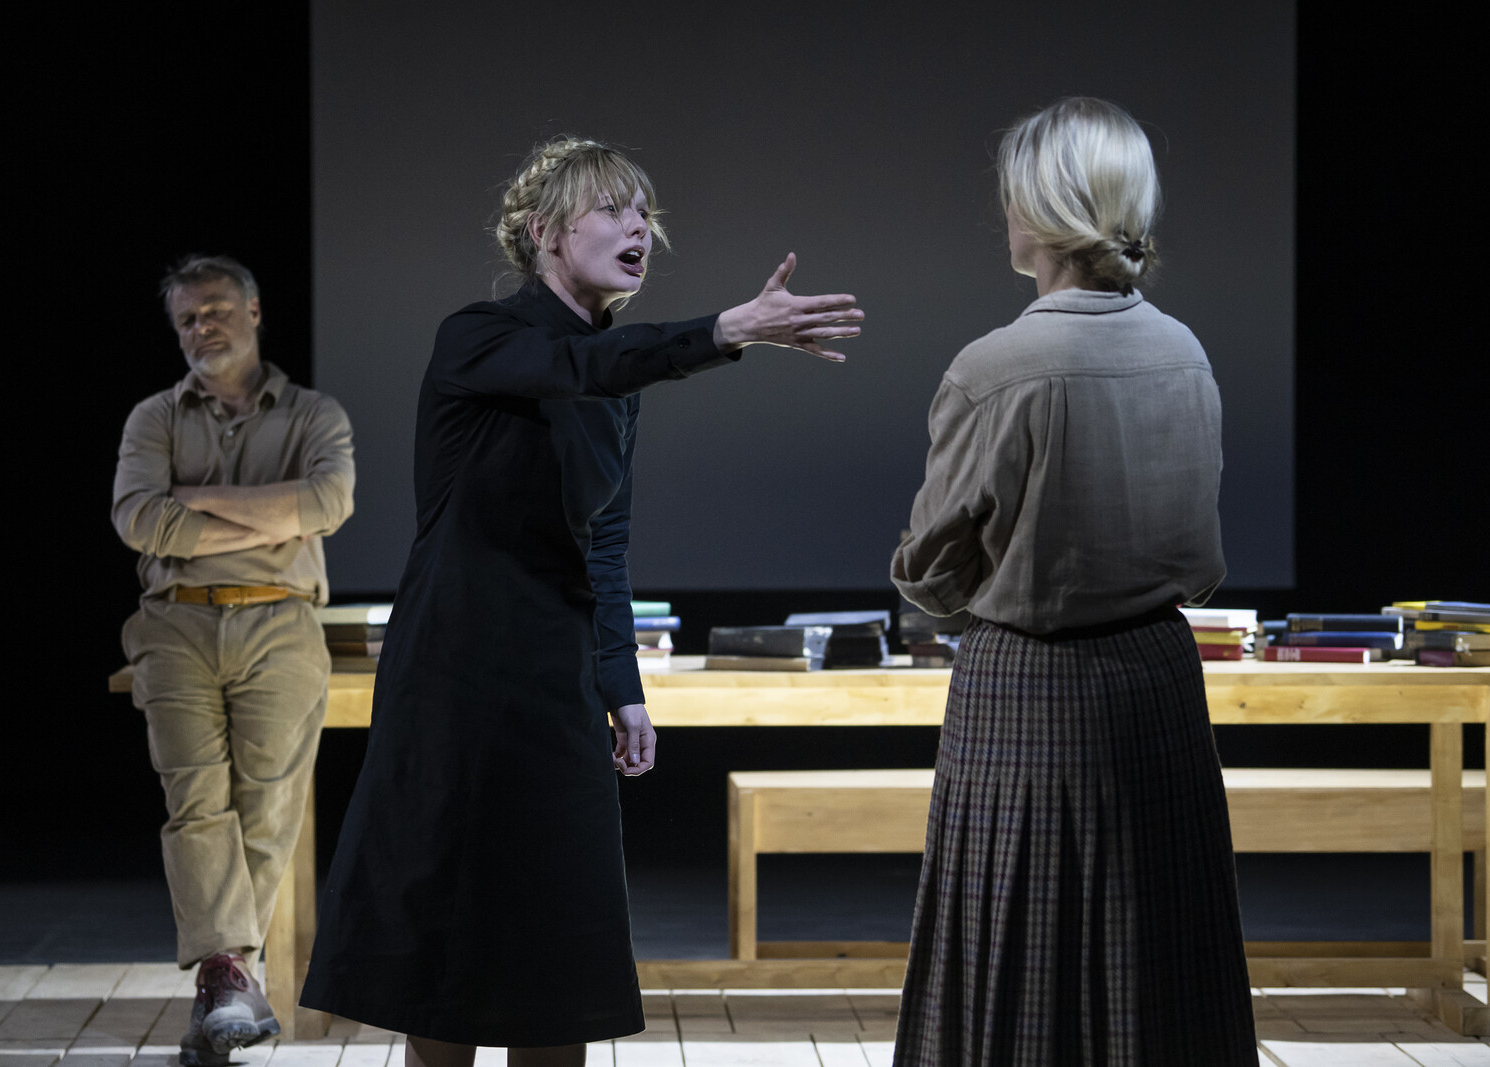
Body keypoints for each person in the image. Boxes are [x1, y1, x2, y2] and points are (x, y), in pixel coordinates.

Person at [300, 138, 863, 1064]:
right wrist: (727, 329)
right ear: (544, 231)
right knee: (447, 937)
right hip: (456, 671)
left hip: (554, 675)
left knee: (558, 945)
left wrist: (621, 684)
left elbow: (603, 540)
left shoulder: (618, 379)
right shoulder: (480, 337)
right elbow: (578, 367)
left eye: (646, 214)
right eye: (614, 209)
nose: (640, 229)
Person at [890, 99, 1256, 1065]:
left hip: (1027, 686)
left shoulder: (996, 368)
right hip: (1159, 676)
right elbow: (1199, 552)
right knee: (1158, 951)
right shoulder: (1184, 352)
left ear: (1049, 211)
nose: (1004, 213)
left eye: (1014, 194)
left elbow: (929, 572)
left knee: (1018, 956)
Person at [112, 255, 355, 1067]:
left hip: (281, 618)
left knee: (269, 802)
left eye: (214, 310)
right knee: (196, 799)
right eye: (186, 318)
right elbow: (140, 520)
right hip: (175, 622)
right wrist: (273, 519)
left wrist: (196, 501)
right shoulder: (153, 417)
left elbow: (328, 503)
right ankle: (231, 978)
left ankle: (225, 982)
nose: (201, 327)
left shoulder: (315, 414)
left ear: (253, 311)